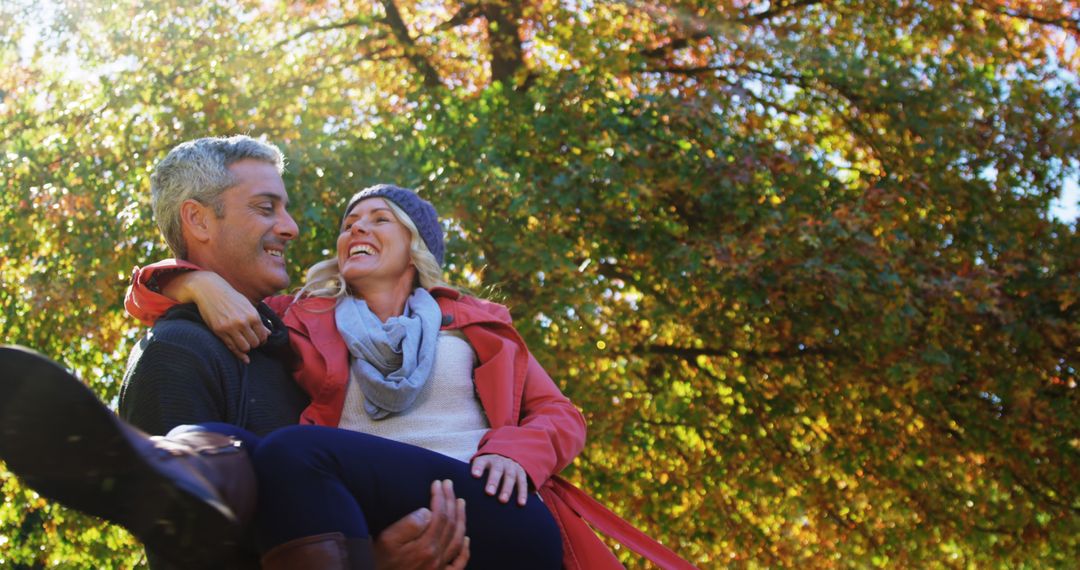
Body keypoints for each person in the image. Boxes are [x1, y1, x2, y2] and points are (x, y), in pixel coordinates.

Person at [129, 183, 697, 569]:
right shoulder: (301, 316)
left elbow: (558, 414)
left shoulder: (475, 322)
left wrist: (514, 453)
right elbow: (154, 299)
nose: (357, 230)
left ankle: (154, 466)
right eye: (350, 224)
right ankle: (148, 470)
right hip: (369, 508)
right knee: (241, 451)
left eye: (380, 220)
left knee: (292, 451)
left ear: (414, 246)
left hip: (491, 504)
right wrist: (194, 283)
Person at [0, 136, 469, 570]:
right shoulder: (175, 355)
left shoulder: (304, 335)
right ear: (198, 220)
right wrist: (369, 561)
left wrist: (193, 280)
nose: (291, 227)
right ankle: (168, 453)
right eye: (267, 208)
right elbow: (194, 557)